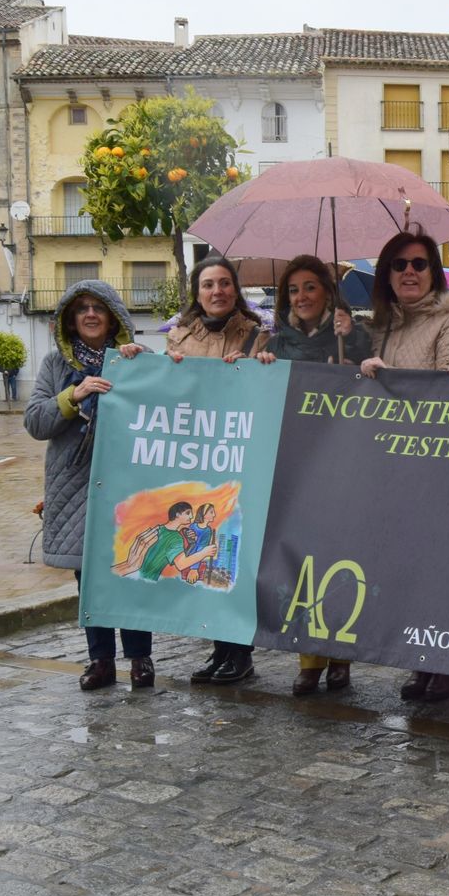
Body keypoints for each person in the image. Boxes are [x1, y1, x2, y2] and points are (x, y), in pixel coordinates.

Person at [361, 226, 449, 702]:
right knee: (408, 568)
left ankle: (445, 664)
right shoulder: (384, 326)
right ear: (387, 275)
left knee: (440, 570)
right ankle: (418, 658)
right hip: (396, 470)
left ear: (434, 272)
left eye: (419, 264)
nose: (409, 272)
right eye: (399, 265)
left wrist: (399, 381)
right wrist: (367, 368)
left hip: (441, 468)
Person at [23, 281, 148, 691]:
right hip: (75, 486)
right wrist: (72, 396)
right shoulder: (54, 365)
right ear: (70, 319)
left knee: (131, 570)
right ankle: (100, 661)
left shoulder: (134, 359)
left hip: (127, 482)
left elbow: (166, 403)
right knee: (88, 577)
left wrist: (143, 365)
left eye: (99, 307)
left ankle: (141, 659)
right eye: (82, 309)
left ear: (113, 315)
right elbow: (35, 422)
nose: (91, 314)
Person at [250, 255, 365, 696]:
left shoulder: (352, 336)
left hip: (343, 465)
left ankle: (341, 658)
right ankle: (309, 658)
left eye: (310, 287)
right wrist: (258, 365)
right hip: (295, 465)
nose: (301, 297)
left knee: (340, 557)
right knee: (303, 563)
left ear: (327, 293)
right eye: (293, 290)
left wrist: (353, 354)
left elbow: (378, 382)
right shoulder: (273, 344)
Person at [168, 255, 264, 686]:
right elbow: (168, 390)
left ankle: (239, 653)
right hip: (198, 461)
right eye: (208, 284)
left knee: (233, 556)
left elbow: (265, 388)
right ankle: (218, 650)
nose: (217, 291)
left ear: (235, 289)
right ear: (197, 291)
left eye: (225, 283)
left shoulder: (257, 333)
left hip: (241, 460)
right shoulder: (179, 335)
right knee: (204, 555)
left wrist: (259, 366)